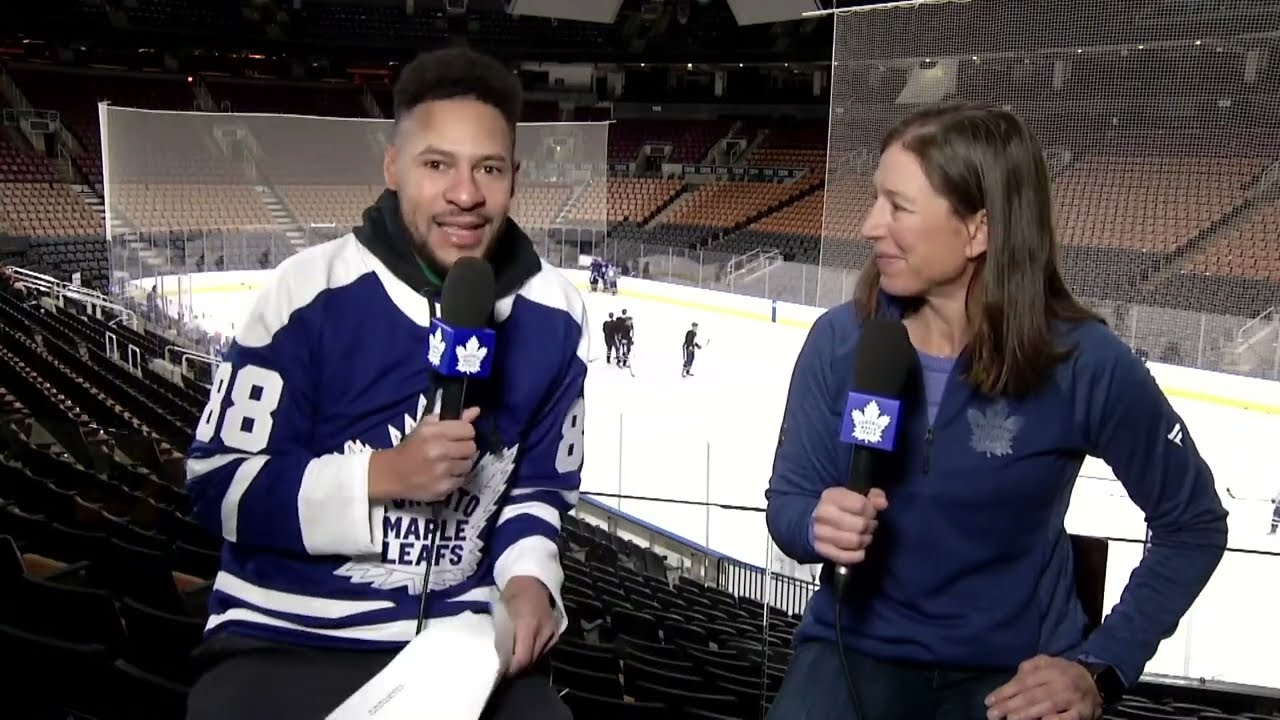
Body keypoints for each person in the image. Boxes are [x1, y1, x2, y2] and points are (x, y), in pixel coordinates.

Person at [764, 103, 1227, 720]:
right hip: (852, 650)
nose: (870, 225)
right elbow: (789, 501)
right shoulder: (841, 341)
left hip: (1013, 676)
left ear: (978, 230)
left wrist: (1101, 667)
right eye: (876, 200)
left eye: (898, 206)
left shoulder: (1084, 362)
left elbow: (1193, 523)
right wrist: (816, 525)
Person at [183, 46, 585, 720]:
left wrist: (528, 579)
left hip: (463, 647)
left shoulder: (556, 314)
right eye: (437, 165)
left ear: (514, 177)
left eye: (488, 168)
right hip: (285, 636)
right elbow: (220, 487)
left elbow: (539, 491)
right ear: (394, 167)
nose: (466, 194)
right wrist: (383, 475)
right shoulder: (304, 292)